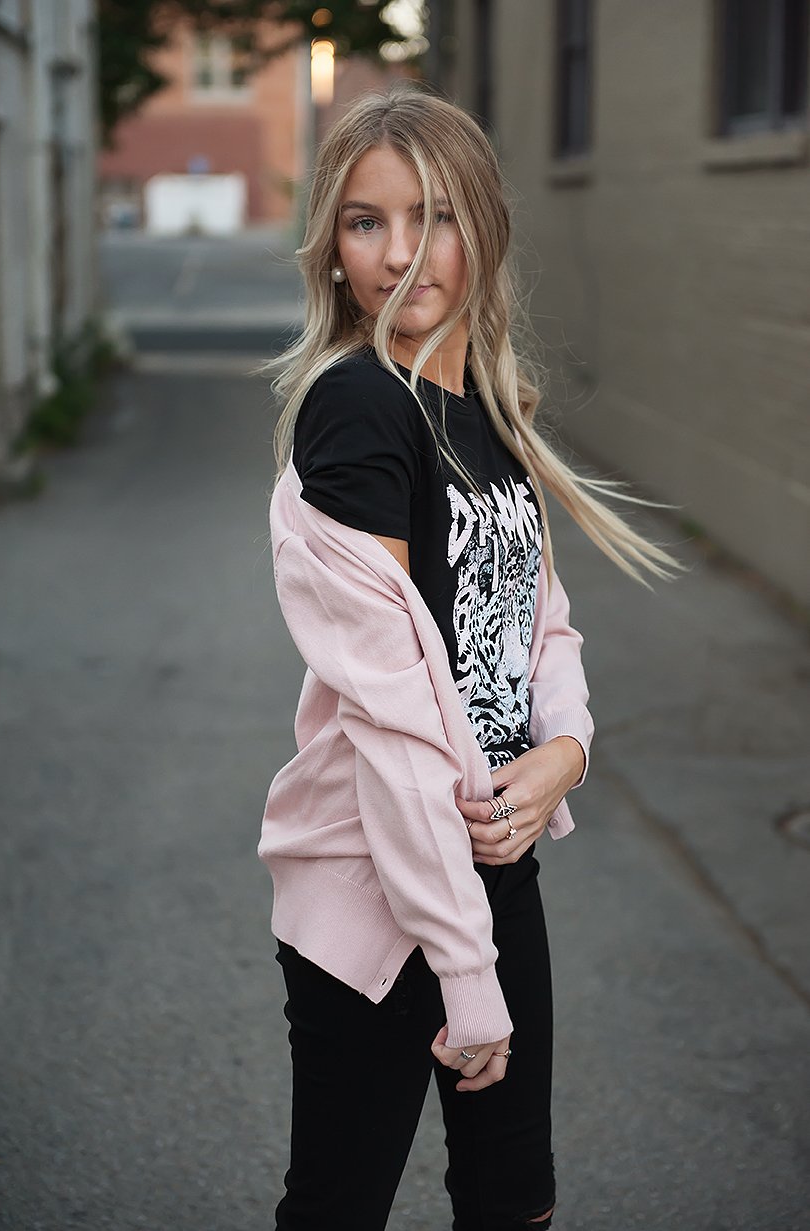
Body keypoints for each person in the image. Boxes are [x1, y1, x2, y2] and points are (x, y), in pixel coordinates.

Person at [257, 81, 684, 1230]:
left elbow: (540, 624)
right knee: (339, 1206)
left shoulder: (482, 405)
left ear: (483, 225)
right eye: (364, 220)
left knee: (514, 1199)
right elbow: (395, 722)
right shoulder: (359, 411)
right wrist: (466, 972)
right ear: (332, 245)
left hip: (497, 873)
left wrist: (566, 755)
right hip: (384, 893)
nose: (400, 254)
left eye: (433, 215)